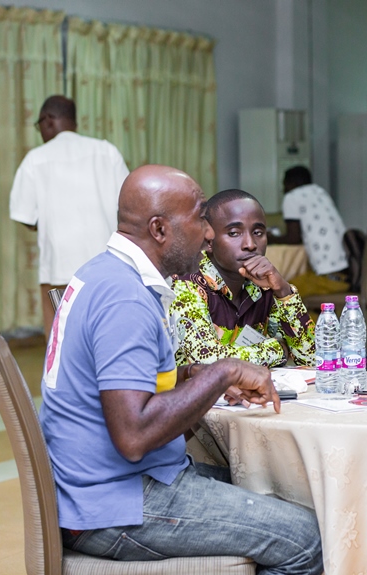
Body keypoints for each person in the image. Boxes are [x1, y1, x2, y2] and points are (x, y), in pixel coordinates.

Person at [40, 164, 323, 573]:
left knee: (290, 493)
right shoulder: (125, 298)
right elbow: (134, 436)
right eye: (199, 219)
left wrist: (192, 377)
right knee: (306, 538)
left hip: (106, 487)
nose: (208, 234)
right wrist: (223, 373)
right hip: (119, 502)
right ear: (159, 229)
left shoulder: (104, 273)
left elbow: (132, 389)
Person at [9, 95, 130, 339]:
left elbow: (25, 216)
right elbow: (129, 206)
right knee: (110, 337)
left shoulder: (35, 159)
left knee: (62, 343)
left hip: (59, 273)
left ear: (48, 121)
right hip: (108, 268)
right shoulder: (107, 152)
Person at [171, 189, 314, 368]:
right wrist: (279, 350)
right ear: (208, 241)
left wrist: (283, 291)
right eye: (234, 233)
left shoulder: (264, 287)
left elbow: (312, 360)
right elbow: (208, 362)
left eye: (258, 232)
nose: (250, 245)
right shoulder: (186, 285)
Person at [268, 165, 349, 298]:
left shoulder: (291, 197)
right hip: (346, 274)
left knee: (278, 293)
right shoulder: (320, 192)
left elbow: (293, 238)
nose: (284, 190)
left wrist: (269, 238)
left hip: (328, 277)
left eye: (285, 185)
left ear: (292, 183)